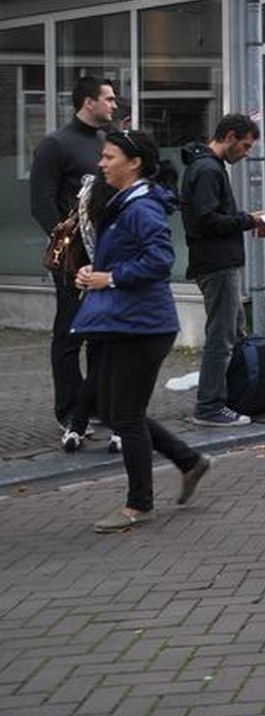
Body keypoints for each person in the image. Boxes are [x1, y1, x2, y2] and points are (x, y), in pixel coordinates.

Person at [72, 129, 211, 533]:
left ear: (134, 163)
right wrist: (94, 273)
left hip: (143, 326)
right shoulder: (125, 203)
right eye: (102, 156)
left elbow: (160, 261)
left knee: (126, 416)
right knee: (113, 409)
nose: (101, 163)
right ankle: (189, 461)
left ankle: (139, 505)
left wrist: (110, 278)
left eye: (109, 157)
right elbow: (122, 258)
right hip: (124, 322)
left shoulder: (141, 207)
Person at [30, 73, 117, 452]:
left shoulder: (105, 142)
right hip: (72, 261)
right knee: (69, 334)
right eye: (109, 98)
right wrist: (66, 251)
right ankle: (67, 410)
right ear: (88, 102)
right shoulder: (55, 145)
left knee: (101, 335)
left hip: (103, 255)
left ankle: (94, 404)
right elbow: (41, 203)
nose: (114, 104)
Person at [179, 114, 265, 428]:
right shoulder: (208, 169)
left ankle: (232, 397)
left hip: (217, 262)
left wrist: (244, 219)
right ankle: (210, 406)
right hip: (216, 263)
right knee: (222, 336)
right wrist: (248, 220)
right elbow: (206, 220)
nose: (246, 153)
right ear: (229, 136)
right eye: (245, 146)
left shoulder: (206, 166)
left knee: (232, 332)